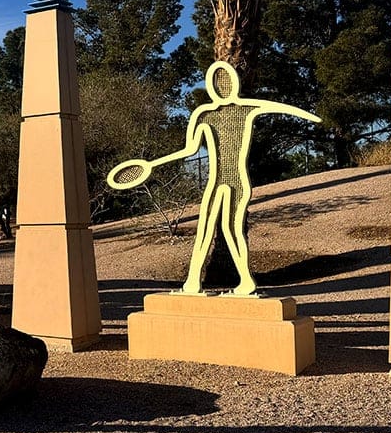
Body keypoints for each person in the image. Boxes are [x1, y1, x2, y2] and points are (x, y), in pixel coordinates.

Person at [107, 61, 320, 296]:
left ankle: (245, 282)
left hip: (237, 182)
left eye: (226, 81)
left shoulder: (246, 108)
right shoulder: (205, 114)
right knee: (205, 230)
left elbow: (280, 107)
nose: (224, 86)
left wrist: (311, 116)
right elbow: (189, 150)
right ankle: (192, 283)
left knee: (232, 230)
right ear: (213, 87)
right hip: (216, 182)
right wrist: (156, 163)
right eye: (219, 82)